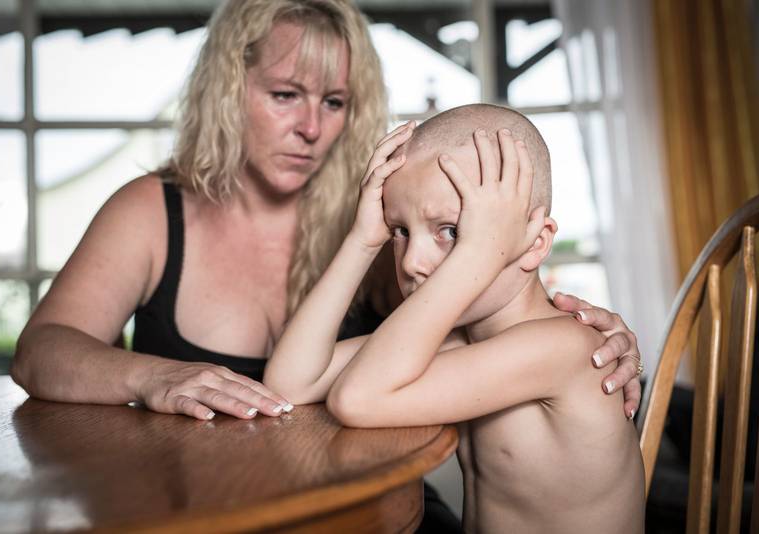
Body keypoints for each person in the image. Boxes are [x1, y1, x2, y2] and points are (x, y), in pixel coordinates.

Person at [10, 0, 642, 530]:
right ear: (226, 90)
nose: (311, 127)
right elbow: (42, 350)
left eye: (334, 101)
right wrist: (152, 377)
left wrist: (598, 328)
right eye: (285, 94)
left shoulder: (398, 218)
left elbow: (493, 303)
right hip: (202, 509)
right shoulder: (163, 211)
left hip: (372, 511)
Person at [264, 103, 646, 532]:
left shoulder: (562, 347)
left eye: (451, 231)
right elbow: (292, 382)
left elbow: (356, 399)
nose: (411, 261)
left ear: (534, 244)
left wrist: (477, 252)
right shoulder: (462, 340)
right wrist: (363, 240)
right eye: (400, 231)